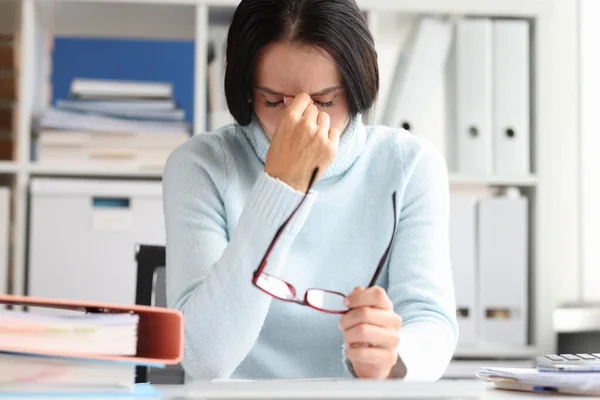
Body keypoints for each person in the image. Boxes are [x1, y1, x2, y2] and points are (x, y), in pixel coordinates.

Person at [162, 0, 458, 381]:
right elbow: (204, 359)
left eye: (324, 101)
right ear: (246, 91)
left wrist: (392, 356)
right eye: (273, 101)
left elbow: (432, 321)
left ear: (355, 86)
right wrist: (283, 183)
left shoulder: (410, 165)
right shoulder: (200, 165)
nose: (301, 122)